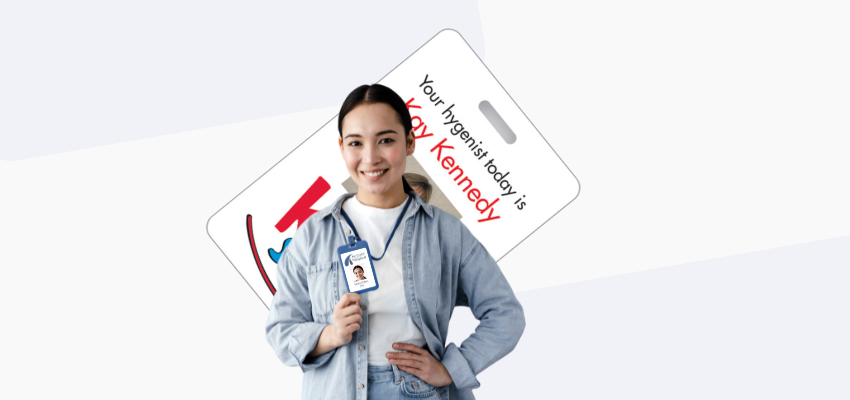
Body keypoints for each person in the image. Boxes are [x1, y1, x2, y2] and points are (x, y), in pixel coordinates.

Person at [265, 83, 525, 400]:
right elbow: (281, 331)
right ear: (342, 147)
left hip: (420, 391)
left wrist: (453, 369)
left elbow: (505, 314)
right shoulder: (312, 233)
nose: (370, 158)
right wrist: (331, 334)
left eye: (386, 140)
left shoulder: (447, 233)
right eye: (356, 143)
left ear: (410, 142)